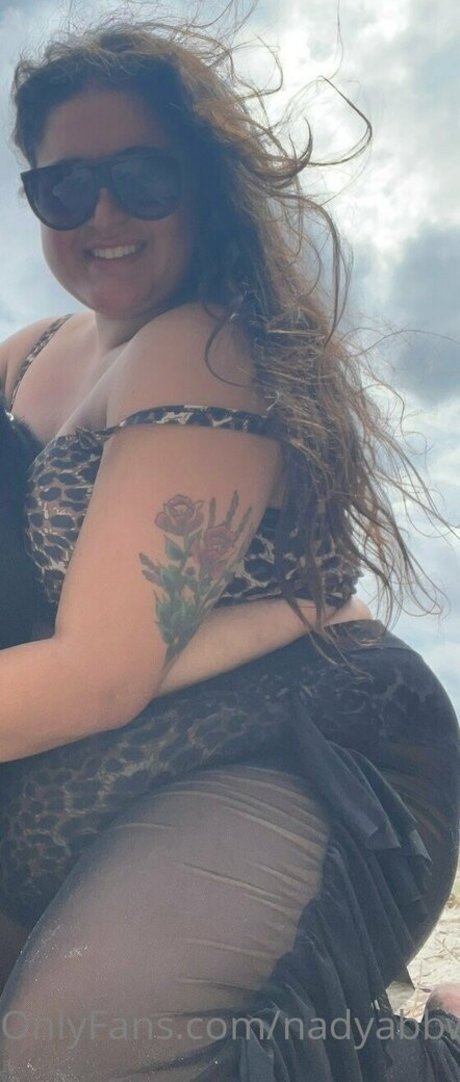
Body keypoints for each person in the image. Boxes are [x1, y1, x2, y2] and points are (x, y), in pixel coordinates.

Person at [0, 13, 459, 1081]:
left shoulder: (208, 349)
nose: (102, 213)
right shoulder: (32, 355)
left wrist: (280, 624)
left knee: (75, 1053)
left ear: (202, 186)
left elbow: (102, 673)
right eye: (65, 187)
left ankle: (428, 1051)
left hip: (301, 747)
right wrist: (270, 614)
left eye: (142, 177)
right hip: (106, 745)